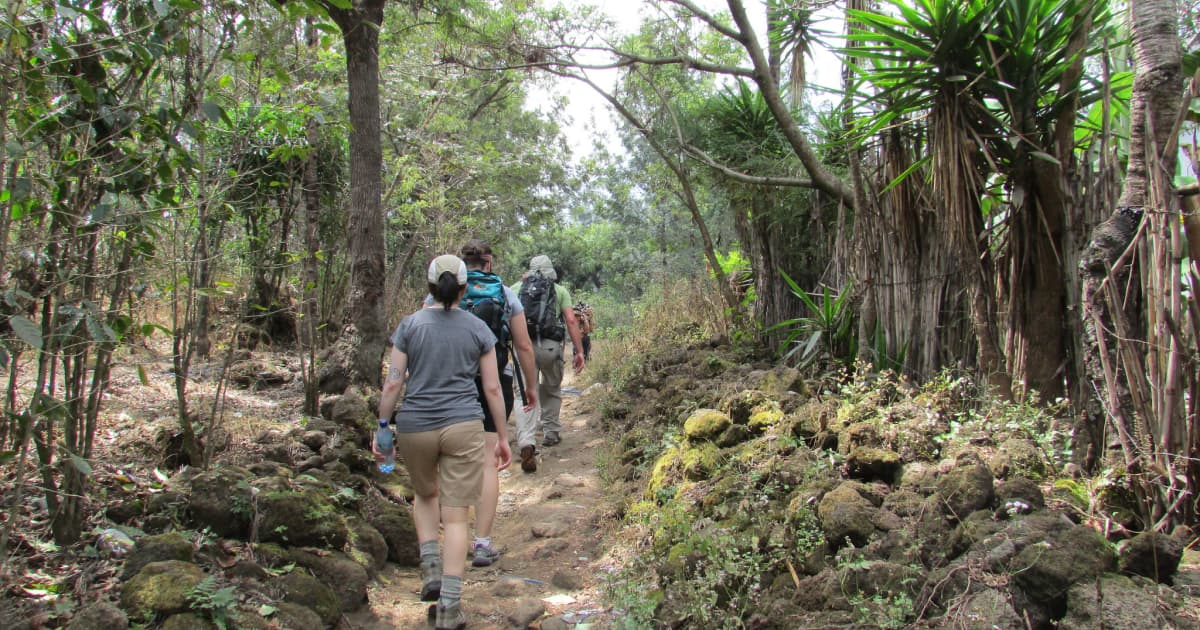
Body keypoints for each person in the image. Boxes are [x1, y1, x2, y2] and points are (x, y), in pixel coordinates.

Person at [374, 254, 511, 630]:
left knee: (425, 495)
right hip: (463, 425)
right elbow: (492, 388)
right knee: (455, 517)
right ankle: (450, 606)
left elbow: (393, 382)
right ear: (464, 288)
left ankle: (430, 567)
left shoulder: (409, 325)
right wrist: (501, 436)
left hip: (415, 425)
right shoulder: (477, 329)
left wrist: (383, 426)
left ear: (430, 286)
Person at [457, 239, 538, 565]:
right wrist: (530, 387)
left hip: (453, 386)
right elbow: (524, 346)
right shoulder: (505, 293)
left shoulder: (444, 291)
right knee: (489, 461)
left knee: (456, 463)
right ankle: (482, 543)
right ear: (489, 262)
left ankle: (454, 538)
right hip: (497, 383)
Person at [511, 255, 585, 470]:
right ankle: (551, 432)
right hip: (550, 347)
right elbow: (571, 320)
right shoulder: (559, 290)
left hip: (522, 346)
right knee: (551, 389)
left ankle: (526, 440)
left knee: (524, 392)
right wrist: (579, 351)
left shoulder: (515, 288)